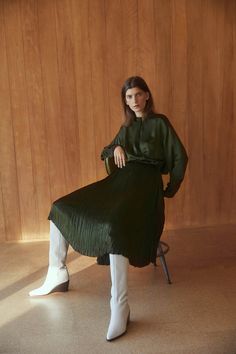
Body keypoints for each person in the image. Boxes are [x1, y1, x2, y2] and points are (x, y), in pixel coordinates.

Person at [29, 76, 188, 341]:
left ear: (147, 96)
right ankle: (57, 273)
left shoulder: (160, 123)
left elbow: (180, 157)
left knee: (115, 224)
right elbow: (106, 150)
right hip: (120, 182)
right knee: (60, 208)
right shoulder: (126, 127)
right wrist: (115, 147)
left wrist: (170, 189)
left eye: (138, 94)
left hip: (146, 185)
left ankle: (120, 305)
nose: (134, 101)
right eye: (128, 97)